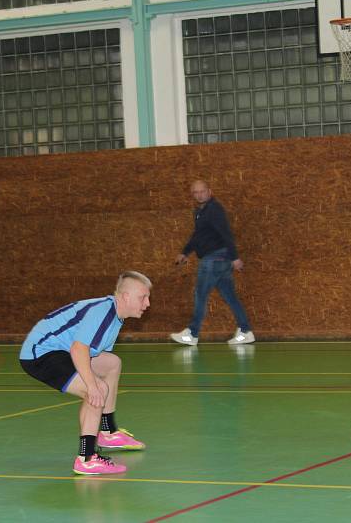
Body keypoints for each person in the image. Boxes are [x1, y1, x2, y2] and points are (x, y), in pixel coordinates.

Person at [19, 271, 151, 474]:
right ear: (125, 297)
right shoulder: (103, 312)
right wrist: (92, 386)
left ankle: (107, 432)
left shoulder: (116, 316)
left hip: (62, 350)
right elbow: (78, 349)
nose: (147, 303)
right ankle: (87, 457)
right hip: (42, 354)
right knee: (96, 389)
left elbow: (91, 352)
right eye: (143, 297)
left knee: (112, 363)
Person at [170, 180, 255, 346]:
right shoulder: (200, 211)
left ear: (210, 191)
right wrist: (185, 252)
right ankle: (245, 331)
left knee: (200, 294)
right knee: (230, 296)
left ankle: (192, 333)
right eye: (196, 192)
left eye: (202, 191)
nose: (199, 194)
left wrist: (235, 257)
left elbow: (226, 232)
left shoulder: (214, 209)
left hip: (214, 259)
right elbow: (198, 235)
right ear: (192, 194)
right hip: (221, 261)